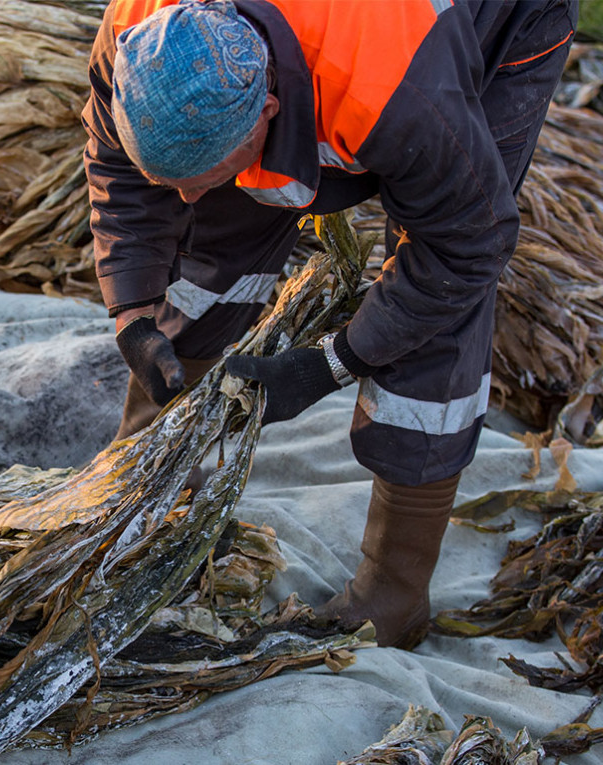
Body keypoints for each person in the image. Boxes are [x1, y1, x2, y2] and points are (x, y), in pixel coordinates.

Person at [82, 0, 577, 648]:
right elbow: (119, 169)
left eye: (201, 176)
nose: (185, 198)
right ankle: (152, 496)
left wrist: (329, 363)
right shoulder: (136, 32)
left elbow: (464, 247)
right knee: (214, 235)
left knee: (438, 309)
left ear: (268, 110)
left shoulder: (402, 94)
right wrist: (133, 315)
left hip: (494, 25)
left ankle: (393, 593)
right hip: (319, 65)